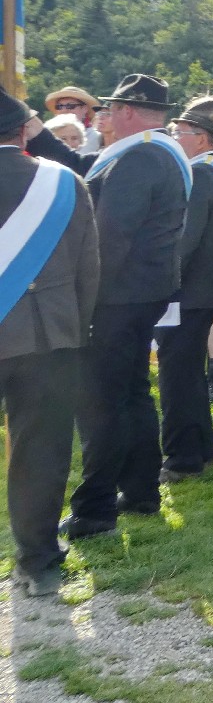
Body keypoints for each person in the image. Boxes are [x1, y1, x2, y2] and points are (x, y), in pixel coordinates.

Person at [53, 74, 189, 541]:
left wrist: (82, 298)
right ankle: (140, 490)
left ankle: (95, 509)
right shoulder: (157, 152)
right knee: (131, 393)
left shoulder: (139, 157)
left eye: (111, 109)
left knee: (100, 401)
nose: (105, 117)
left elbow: (109, 237)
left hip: (116, 295)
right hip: (138, 292)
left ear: (128, 111)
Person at [0, 86, 99, 598]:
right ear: (24, 132)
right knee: (40, 450)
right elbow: (88, 268)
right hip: (48, 336)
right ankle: (37, 562)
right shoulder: (63, 182)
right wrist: (75, 329)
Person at [158, 96, 213, 483]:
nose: (175, 138)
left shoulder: (199, 174)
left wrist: (163, 284)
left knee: (176, 376)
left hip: (187, 292)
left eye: (181, 132)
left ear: (203, 138)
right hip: (203, 289)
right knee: (188, 373)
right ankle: (201, 449)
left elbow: (184, 240)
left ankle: (181, 458)